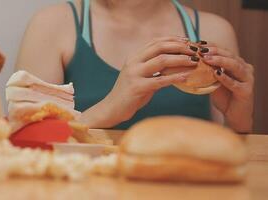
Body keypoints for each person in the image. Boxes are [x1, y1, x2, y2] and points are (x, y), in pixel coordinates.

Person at [16, 0, 254, 132]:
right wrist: (108, 110)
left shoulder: (215, 31)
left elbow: (227, 161)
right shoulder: (51, 25)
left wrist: (239, 123)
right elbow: (22, 143)